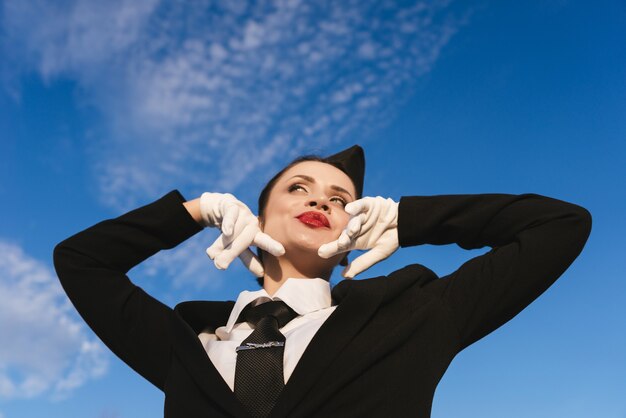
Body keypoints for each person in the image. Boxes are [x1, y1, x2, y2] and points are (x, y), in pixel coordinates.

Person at [53, 145, 591, 417]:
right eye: (299, 188)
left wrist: (412, 219)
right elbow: (81, 261)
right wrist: (193, 211)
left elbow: (559, 227)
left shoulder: (415, 315)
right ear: (257, 220)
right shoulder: (186, 345)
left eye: (339, 199)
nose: (320, 201)